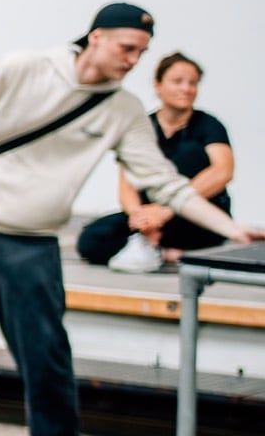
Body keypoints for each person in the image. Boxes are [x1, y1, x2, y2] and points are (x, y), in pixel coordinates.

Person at [0, 4, 254, 436]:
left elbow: (166, 184)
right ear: (97, 37)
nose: (133, 60)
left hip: (31, 244)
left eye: (142, 54)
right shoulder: (26, 67)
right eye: (127, 48)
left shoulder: (122, 110)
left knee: (45, 353)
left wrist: (233, 230)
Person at [76, 52, 234, 273]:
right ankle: (161, 250)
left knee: (188, 155)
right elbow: (127, 183)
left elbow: (223, 171)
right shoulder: (143, 125)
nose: (186, 89)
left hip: (194, 214)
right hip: (150, 214)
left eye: (193, 83)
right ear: (158, 85)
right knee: (91, 239)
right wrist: (138, 217)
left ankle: (155, 249)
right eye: (178, 82)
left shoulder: (208, 125)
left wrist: (166, 210)